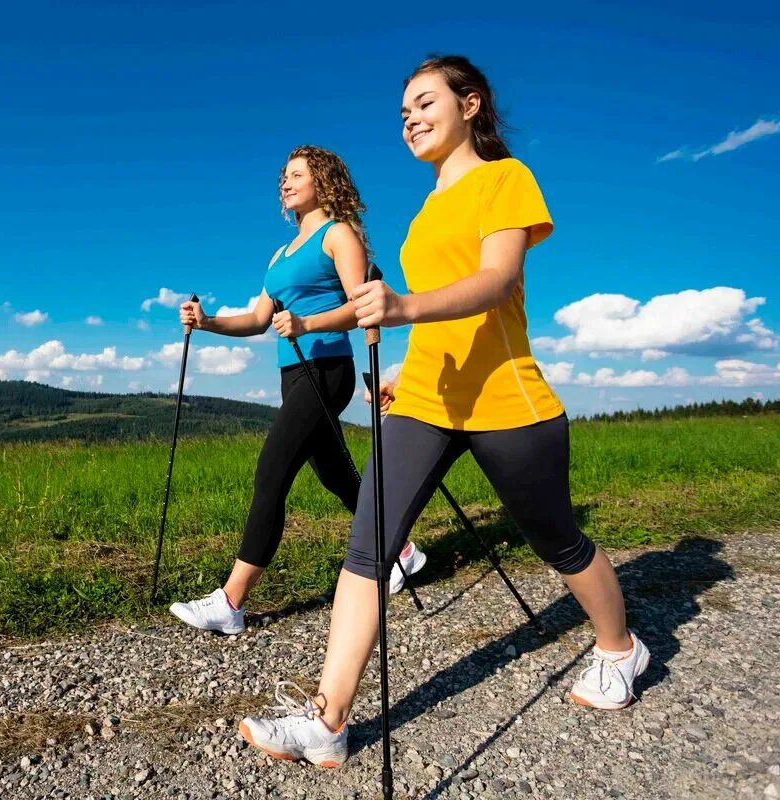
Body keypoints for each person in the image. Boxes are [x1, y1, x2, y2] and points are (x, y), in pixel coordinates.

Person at [237, 56, 651, 768]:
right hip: (427, 398)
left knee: (558, 542)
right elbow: (438, 316)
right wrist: (405, 362)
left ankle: (621, 648)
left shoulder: (505, 179)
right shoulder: (427, 209)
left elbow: (495, 283)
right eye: (402, 114)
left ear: (471, 105)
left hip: (504, 397)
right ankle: (329, 721)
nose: (411, 121)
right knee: (366, 548)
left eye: (424, 104)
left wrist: (400, 306)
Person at [168, 145, 427, 636]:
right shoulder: (280, 254)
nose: (285, 184)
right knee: (336, 474)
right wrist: (207, 323)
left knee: (272, 470)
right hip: (294, 374)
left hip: (327, 367)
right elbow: (259, 319)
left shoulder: (339, 235)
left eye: (296, 175)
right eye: (282, 177)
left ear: (323, 181)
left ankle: (232, 601)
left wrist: (307, 322)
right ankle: (404, 552)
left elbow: (362, 306)